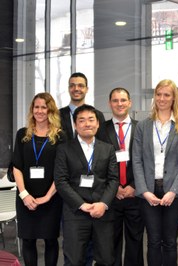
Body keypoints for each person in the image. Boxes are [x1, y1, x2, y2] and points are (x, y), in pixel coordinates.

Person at [132, 79, 178, 266]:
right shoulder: (143, 126)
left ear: (174, 98)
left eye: (166, 95)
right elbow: (137, 160)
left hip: (173, 193)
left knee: (170, 241)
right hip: (149, 190)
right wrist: (144, 191)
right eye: (158, 94)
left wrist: (173, 191)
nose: (162, 98)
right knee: (152, 240)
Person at [54, 104, 119, 266]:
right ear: (75, 125)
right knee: (74, 260)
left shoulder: (108, 149)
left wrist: (103, 204)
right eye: (81, 120)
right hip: (75, 213)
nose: (87, 124)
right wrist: (82, 205)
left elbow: (113, 179)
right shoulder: (64, 149)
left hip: (102, 213)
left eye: (91, 119)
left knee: (106, 259)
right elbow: (61, 181)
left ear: (97, 123)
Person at [12, 92, 65, 266]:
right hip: (25, 197)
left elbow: (61, 171)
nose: (40, 111)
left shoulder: (60, 136)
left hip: (51, 198)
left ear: (51, 110)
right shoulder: (22, 134)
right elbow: (17, 166)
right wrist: (24, 195)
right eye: (37, 107)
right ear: (32, 109)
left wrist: (48, 197)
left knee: (50, 240)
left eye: (44, 107)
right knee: (27, 240)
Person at [97, 88, 144, 266]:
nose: (119, 104)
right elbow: (98, 164)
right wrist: (113, 187)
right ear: (110, 104)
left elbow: (147, 160)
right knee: (111, 243)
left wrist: (135, 185)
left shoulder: (142, 127)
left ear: (130, 102)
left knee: (136, 241)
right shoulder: (101, 130)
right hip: (111, 196)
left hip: (135, 194)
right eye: (115, 101)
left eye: (123, 100)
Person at [59, 72, 105, 140]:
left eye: (80, 86)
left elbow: (102, 141)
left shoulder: (98, 115)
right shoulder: (57, 115)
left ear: (87, 89)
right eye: (72, 86)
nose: (76, 89)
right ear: (68, 89)